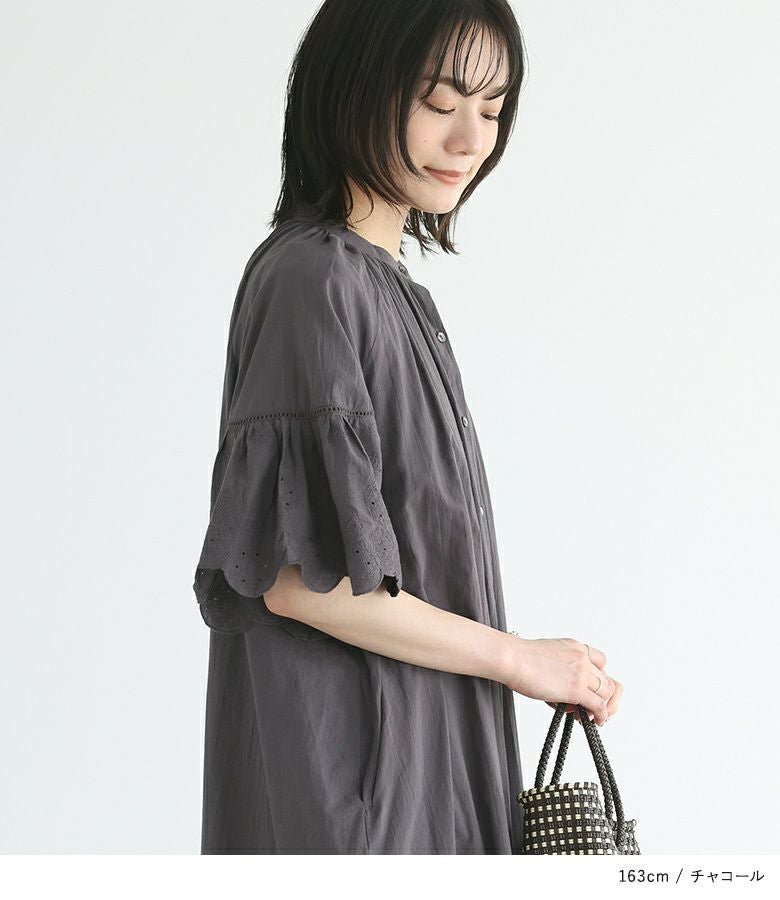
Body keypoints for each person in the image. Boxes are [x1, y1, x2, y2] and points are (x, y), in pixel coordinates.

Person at [193, 0, 622, 854]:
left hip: (422, 778)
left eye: (492, 109)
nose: (471, 140)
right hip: (357, 802)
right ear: (354, 86)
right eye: (439, 101)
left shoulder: (390, 294)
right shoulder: (314, 280)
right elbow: (294, 579)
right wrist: (522, 659)